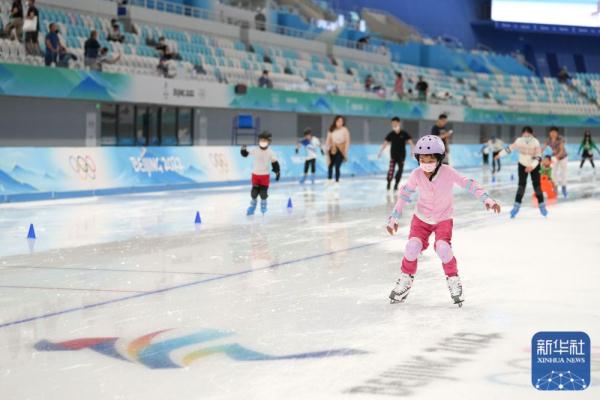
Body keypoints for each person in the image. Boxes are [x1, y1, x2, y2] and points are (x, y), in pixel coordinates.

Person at [386, 135, 500, 306]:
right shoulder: (416, 174)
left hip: (443, 219)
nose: (426, 163)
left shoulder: (448, 172)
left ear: (439, 159)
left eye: (430, 159)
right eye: (422, 159)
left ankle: (453, 279)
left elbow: (468, 183)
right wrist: (394, 217)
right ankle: (405, 280)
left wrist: (487, 199)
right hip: (421, 219)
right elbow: (405, 193)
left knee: (443, 248)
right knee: (412, 247)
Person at [495, 126, 546, 218]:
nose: (526, 136)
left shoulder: (536, 142)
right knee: (521, 185)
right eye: (524, 134)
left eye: (528, 134)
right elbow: (509, 148)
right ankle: (516, 207)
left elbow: (539, 157)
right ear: (522, 134)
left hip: (534, 165)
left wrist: (532, 166)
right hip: (522, 165)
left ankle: (542, 205)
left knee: (537, 185)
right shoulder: (519, 141)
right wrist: (499, 154)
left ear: (532, 134)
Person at [241, 131, 281, 215]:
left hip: (265, 176)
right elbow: (245, 154)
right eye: (261, 140)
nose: (262, 142)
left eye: (264, 140)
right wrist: (243, 149)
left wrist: (277, 172)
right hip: (255, 175)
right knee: (254, 193)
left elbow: (275, 163)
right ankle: (252, 207)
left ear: (269, 142)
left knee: (263, 194)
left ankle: (263, 206)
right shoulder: (255, 150)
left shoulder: (270, 152)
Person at [377, 117, 414, 191]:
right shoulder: (391, 134)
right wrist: (380, 152)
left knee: (400, 170)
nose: (394, 125)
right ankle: (389, 182)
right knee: (391, 170)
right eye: (392, 124)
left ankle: (396, 184)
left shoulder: (404, 133)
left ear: (399, 123)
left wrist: (412, 151)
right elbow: (385, 143)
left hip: (402, 156)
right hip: (393, 155)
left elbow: (411, 143)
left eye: (395, 123)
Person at [542, 126, 568, 198]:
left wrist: (557, 157)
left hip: (563, 157)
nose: (553, 134)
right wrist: (538, 154)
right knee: (553, 173)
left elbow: (562, 150)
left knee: (563, 173)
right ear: (550, 133)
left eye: (554, 132)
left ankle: (563, 187)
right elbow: (543, 148)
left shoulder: (561, 139)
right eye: (551, 132)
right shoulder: (548, 140)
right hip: (554, 157)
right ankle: (555, 187)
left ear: (557, 133)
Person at [325, 115, 350, 184]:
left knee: (337, 165)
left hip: (341, 149)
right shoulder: (331, 129)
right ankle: (329, 179)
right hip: (332, 148)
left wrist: (345, 152)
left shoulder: (345, 130)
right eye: (338, 121)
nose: (340, 123)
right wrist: (327, 150)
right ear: (335, 121)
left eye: (342, 121)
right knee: (330, 165)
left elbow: (347, 141)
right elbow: (328, 141)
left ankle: (337, 181)